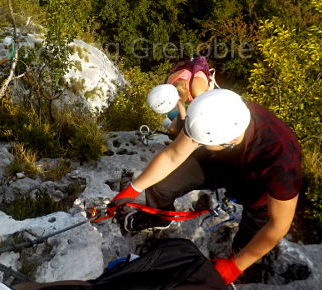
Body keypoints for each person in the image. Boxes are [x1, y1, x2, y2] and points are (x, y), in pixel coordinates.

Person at [110, 89, 301, 286]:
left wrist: (235, 265)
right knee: (161, 186)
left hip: (258, 191)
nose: (194, 143)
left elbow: (279, 224)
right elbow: (172, 155)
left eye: (201, 142)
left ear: (231, 140)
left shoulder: (281, 157)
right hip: (220, 161)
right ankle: (159, 216)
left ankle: (239, 275)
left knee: (248, 242)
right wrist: (133, 189)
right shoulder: (212, 112)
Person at [147, 57, 216, 138]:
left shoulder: (197, 91)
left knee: (193, 130)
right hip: (182, 90)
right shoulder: (163, 84)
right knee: (173, 130)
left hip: (202, 87)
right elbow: (182, 116)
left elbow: (204, 114)